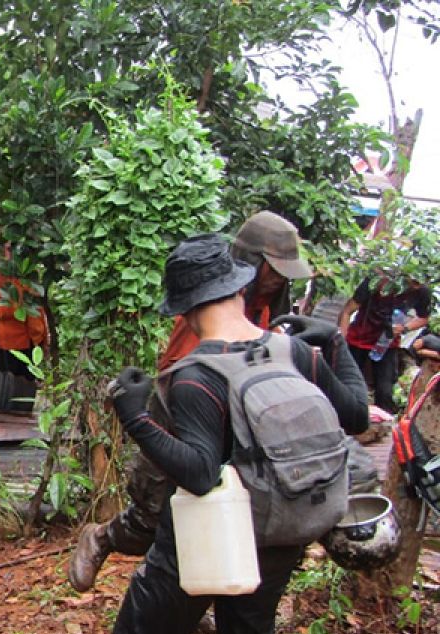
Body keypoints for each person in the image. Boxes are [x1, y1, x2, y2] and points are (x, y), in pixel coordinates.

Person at [108, 234, 367, 634]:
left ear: (183, 307)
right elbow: (357, 415)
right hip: (278, 533)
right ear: (238, 289)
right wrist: (335, 347)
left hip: (208, 541)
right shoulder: (289, 348)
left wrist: (134, 416)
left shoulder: (197, 376)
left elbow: (201, 474)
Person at [68, 210, 312, 593]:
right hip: (180, 420)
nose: (279, 279)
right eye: (274, 269)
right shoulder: (211, 308)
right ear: (252, 263)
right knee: (152, 516)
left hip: (235, 428)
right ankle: (102, 538)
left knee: (219, 515)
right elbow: (177, 375)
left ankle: (197, 596)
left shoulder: (264, 309)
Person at [338, 273, 431, 415]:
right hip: (358, 340)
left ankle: (382, 425)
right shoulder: (376, 280)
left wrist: (404, 328)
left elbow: (424, 318)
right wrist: (342, 343)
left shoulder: (422, 291)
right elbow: (347, 311)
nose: (416, 286)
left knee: (385, 392)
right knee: (349, 385)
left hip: (387, 344)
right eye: (413, 282)